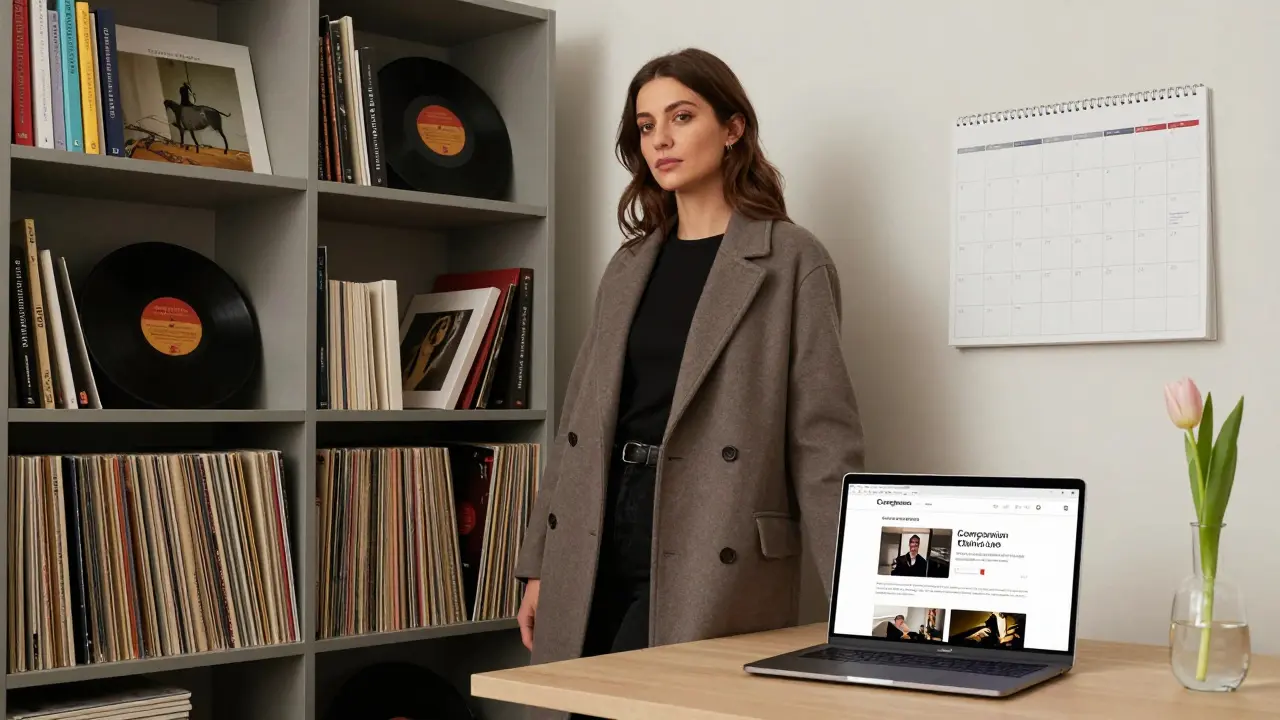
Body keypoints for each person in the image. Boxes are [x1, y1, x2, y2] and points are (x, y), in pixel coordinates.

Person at [512, 47, 864, 720]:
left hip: (709, 526)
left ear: (732, 128)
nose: (661, 140)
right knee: (580, 701)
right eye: (646, 126)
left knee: (648, 706)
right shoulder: (630, 263)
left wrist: (861, 605)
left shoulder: (790, 260)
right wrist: (540, 563)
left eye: (681, 116)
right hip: (600, 519)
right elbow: (579, 426)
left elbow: (823, 442)